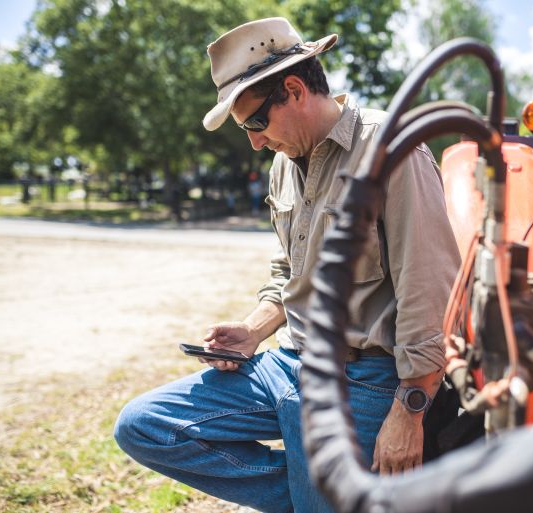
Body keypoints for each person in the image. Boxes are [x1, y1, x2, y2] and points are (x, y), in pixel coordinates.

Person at [114, 17, 460, 513]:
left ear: (294, 89)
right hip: (286, 363)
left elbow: (430, 290)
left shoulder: (391, 149)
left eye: (255, 123)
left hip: (362, 381)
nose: (254, 142)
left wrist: (409, 409)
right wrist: (254, 329)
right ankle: (317, 497)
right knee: (144, 426)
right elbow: (288, 273)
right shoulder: (284, 161)